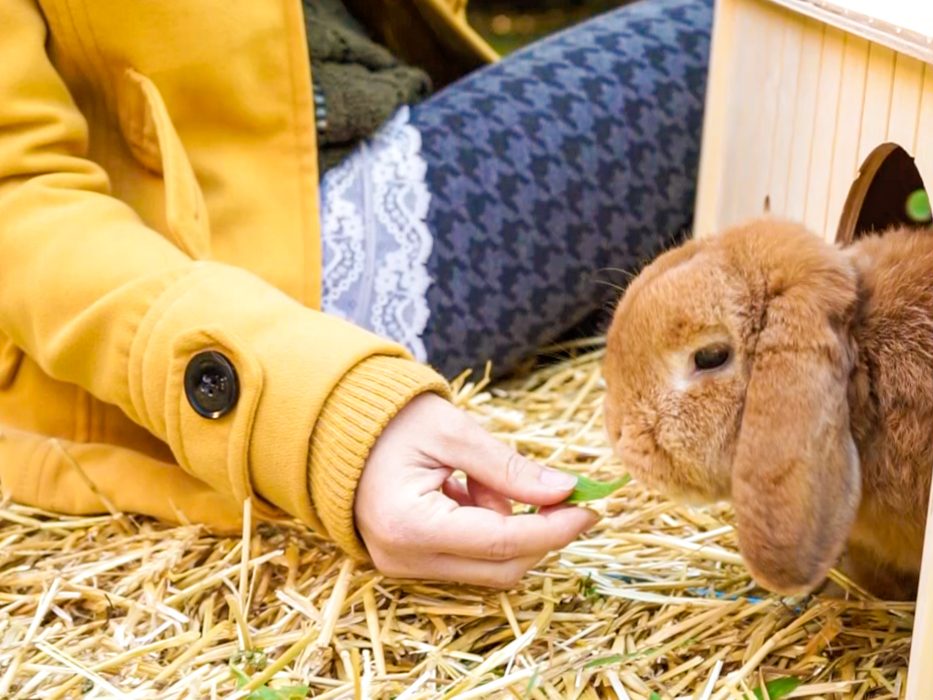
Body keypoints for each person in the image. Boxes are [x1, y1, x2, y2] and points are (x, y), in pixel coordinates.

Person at [0, 0, 711, 588]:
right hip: (234, 283)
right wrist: (312, 410)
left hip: (386, 119)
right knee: (719, 41)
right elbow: (16, 201)